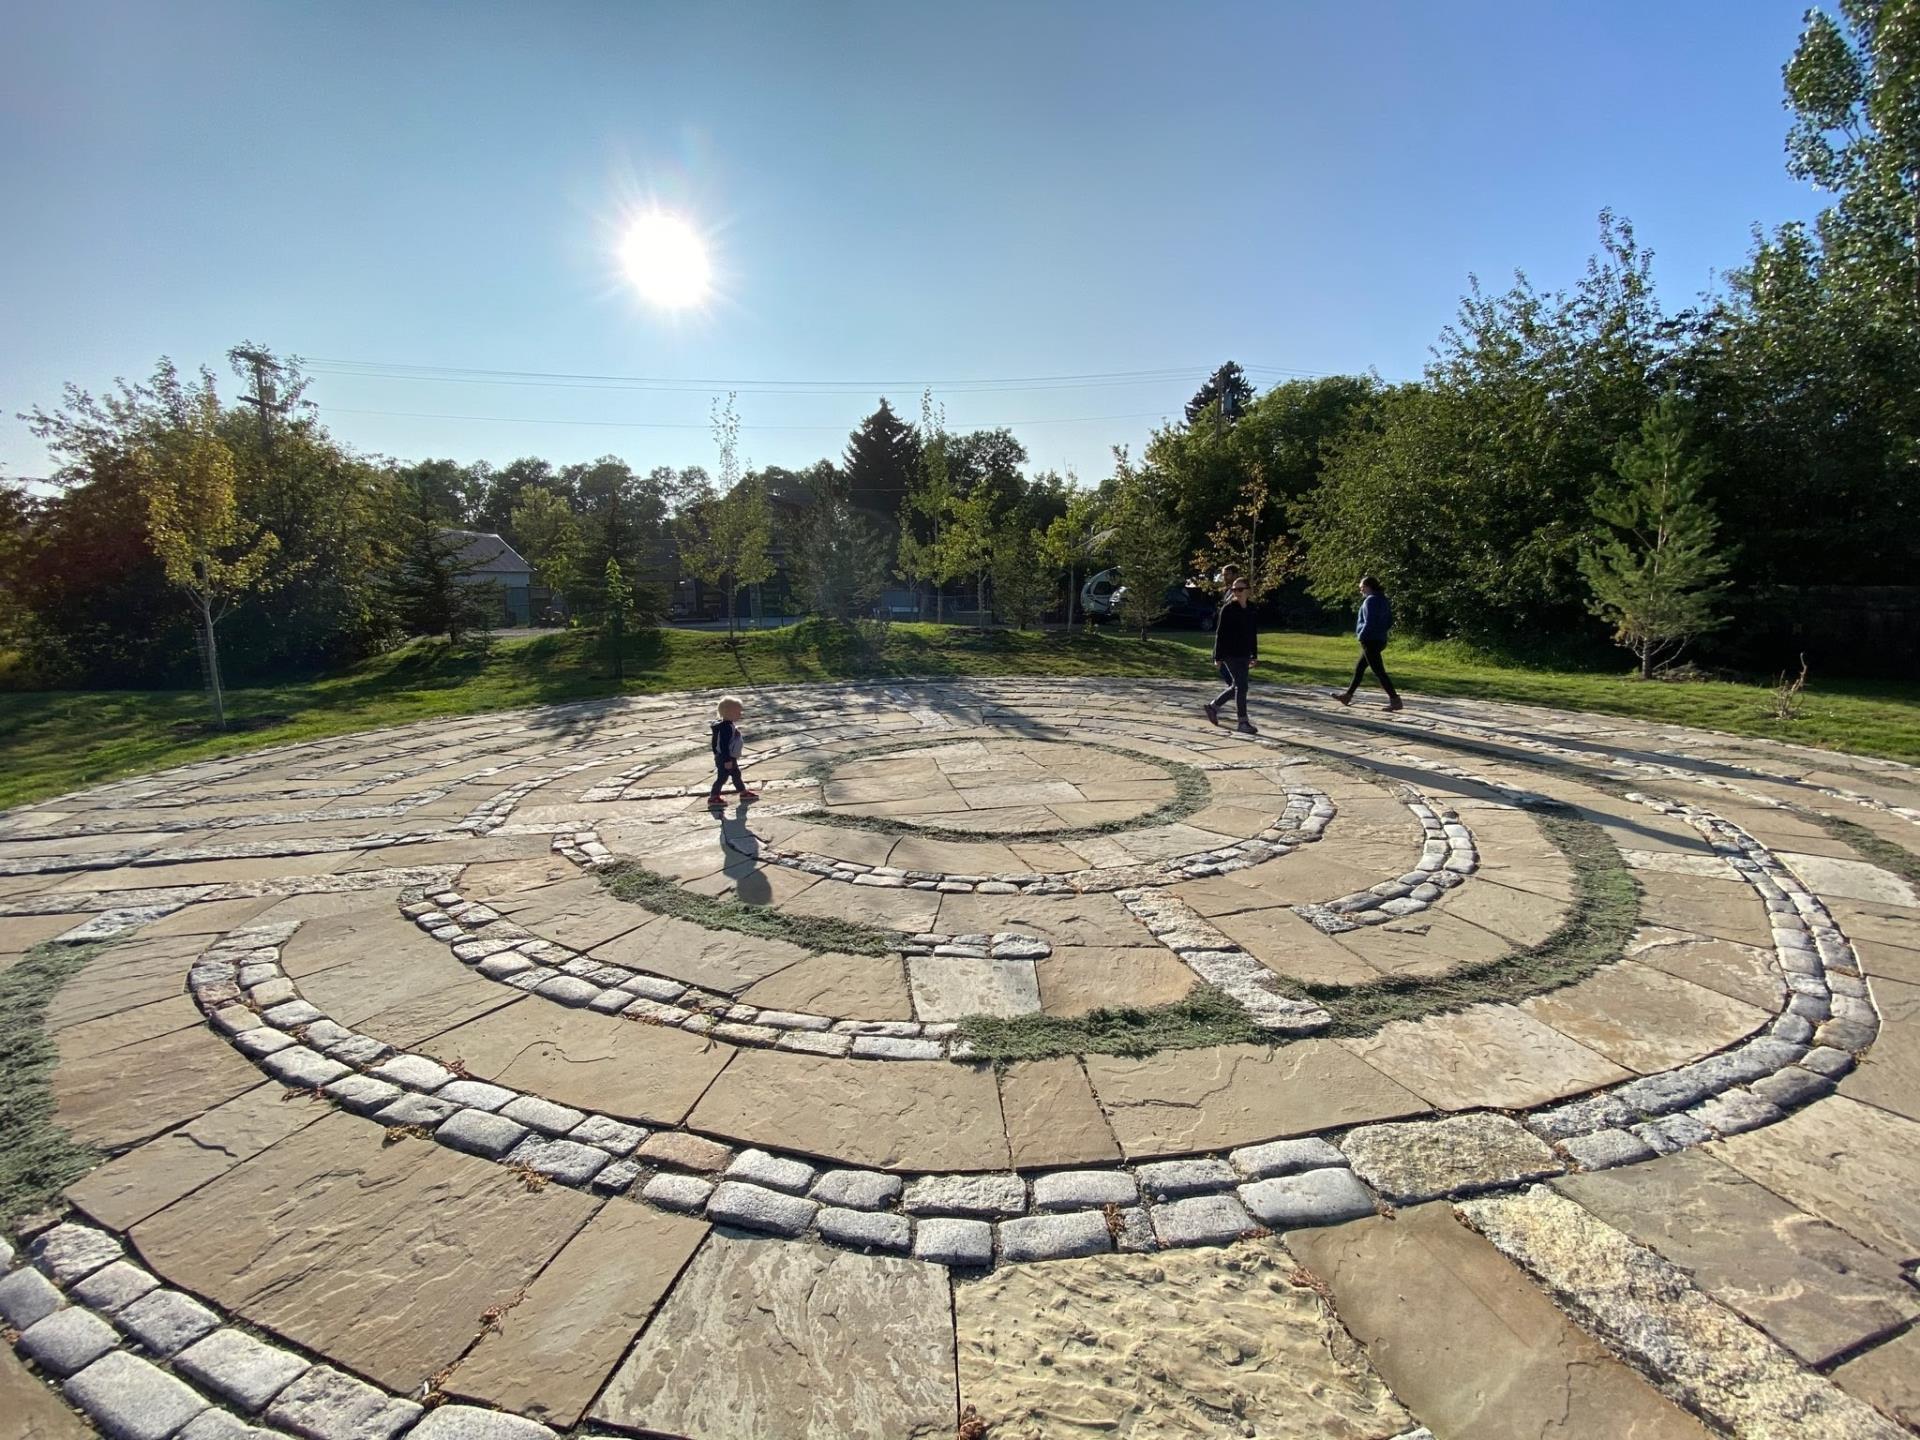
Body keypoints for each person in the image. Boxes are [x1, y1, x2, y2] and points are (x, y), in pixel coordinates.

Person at [1335, 575, 1402, 711]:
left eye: (1361, 588)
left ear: (1368, 587)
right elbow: (1389, 621)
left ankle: (1395, 700)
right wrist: (1381, 632)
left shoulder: (1370, 601)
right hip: (1380, 639)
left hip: (1370, 640)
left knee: (1379, 671)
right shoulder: (1383, 600)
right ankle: (1347, 696)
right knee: (1359, 668)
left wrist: (1362, 636)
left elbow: (1369, 622)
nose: (1361, 591)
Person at [1205, 575, 1260, 734]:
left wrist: (1254, 654)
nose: (1237, 592)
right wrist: (1217, 656)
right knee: (1242, 686)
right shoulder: (1228, 609)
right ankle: (1243, 722)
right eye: (1234, 589)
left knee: (1237, 685)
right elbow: (1220, 633)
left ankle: (1213, 707)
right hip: (1230, 653)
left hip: (1244, 653)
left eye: (1240, 589)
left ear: (1248, 590)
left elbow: (1252, 633)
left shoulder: (1251, 608)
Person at [706, 695, 759, 806]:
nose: (740, 714)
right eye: (738, 712)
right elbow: (723, 745)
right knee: (722, 777)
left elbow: (715, 743)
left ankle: (743, 792)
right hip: (726, 758)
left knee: (736, 774)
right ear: (729, 713)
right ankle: (713, 797)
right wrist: (726, 760)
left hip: (727, 757)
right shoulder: (726, 728)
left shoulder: (725, 726)